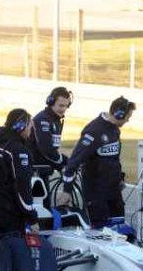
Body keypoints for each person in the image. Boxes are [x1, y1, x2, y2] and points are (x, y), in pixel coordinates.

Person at [58, 96, 135, 228]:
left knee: (120, 230)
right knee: (101, 234)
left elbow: (114, 158)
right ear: (119, 114)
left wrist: (119, 178)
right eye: (128, 116)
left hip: (113, 192)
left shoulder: (115, 129)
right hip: (97, 195)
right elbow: (74, 162)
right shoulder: (94, 131)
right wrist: (67, 190)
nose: (128, 119)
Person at [0, 109, 39, 246]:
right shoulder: (18, 150)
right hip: (10, 210)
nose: (31, 132)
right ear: (21, 127)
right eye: (29, 127)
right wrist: (32, 218)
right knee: (10, 251)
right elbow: (22, 187)